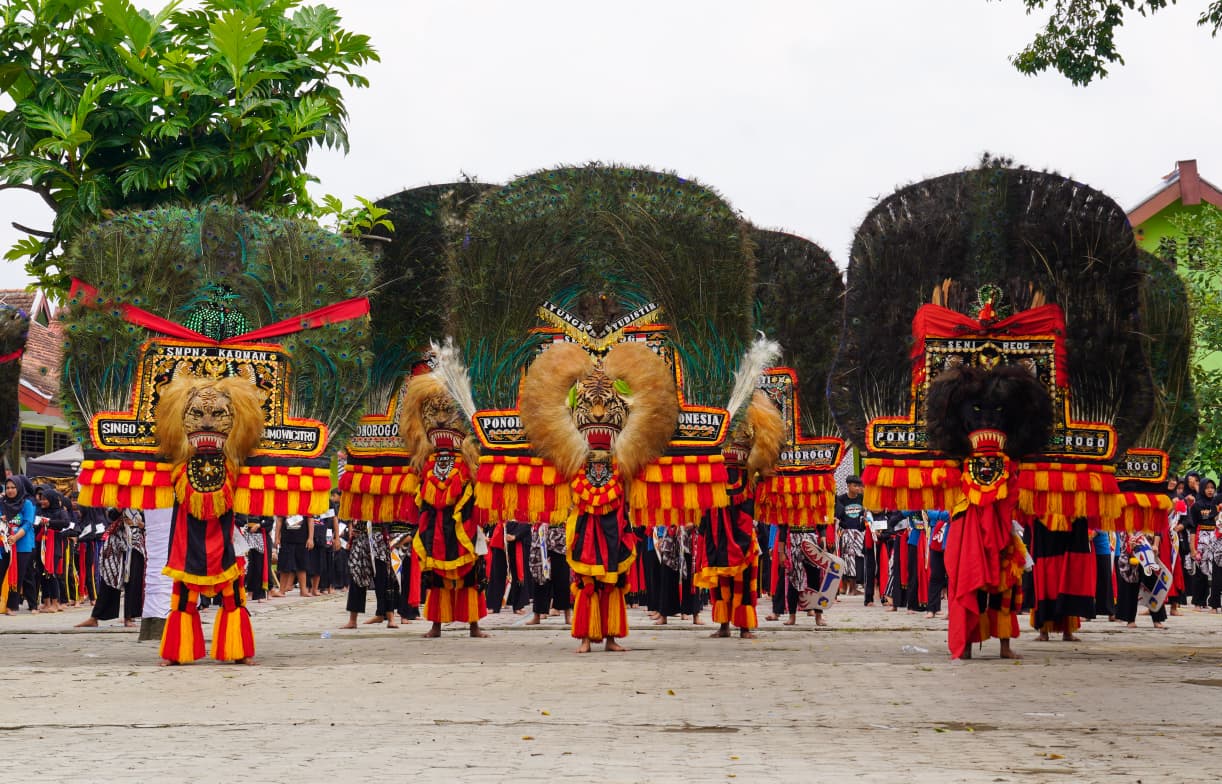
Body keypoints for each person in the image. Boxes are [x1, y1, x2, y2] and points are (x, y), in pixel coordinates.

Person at [77, 508, 146, 627]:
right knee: (109, 578)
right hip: (115, 545)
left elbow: (152, 526)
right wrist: (120, 510)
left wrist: (141, 525)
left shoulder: (143, 506)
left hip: (135, 545)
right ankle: (95, 617)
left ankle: (129, 617)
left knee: (133, 580)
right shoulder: (118, 504)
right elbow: (111, 516)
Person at [0, 476, 38, 613]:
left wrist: (15, 537)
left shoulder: (26, 503)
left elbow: (28, 523)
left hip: (22, 544)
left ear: (19, 488)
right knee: (2, 572)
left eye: (13, 487)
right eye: (8, 487)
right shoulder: (2, 503)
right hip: (4, 543)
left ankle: (12, 606)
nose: (10, 490)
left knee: (17, 574)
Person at [835, 476, 868, 596]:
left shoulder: (862, 498)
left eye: (859, 486)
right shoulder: (841, 499)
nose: (858, 488)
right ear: (848, 486)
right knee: (846, 558)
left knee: (857, 560)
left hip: (859, 533)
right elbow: (838, 515)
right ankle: (845, 587)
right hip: (845, 532)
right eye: (855, 485)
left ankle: (854, 587)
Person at [275, 514, 311, 598]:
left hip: (302, 539)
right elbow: (279, 520)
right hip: (286, 539)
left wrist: (310, 538)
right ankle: (281, 590)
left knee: (302, 565)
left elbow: (310, 520)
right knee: (284, 565)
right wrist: (277, 537)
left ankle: (303, 590)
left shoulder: (305, 503)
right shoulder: (284, 504)